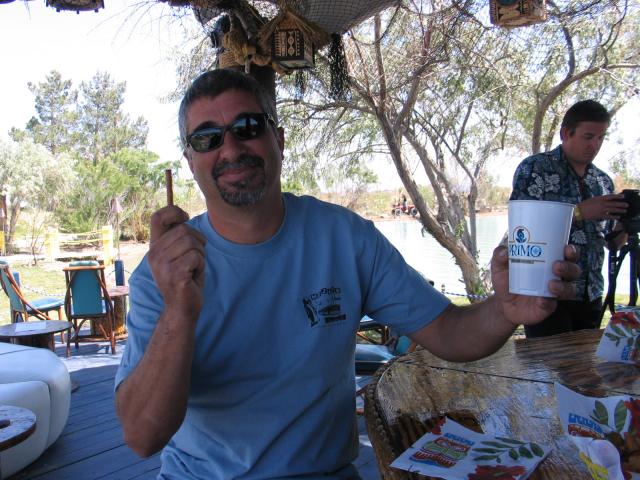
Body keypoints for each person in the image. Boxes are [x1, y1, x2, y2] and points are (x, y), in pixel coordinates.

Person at [115, 68, 579, 479]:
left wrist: (505, 309)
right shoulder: (163, 273)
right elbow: (142, 436)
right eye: (207, 138)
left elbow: (448, 332)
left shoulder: (344, 237)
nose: (231, 148)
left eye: (247, 127)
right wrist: (179, 311)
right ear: (190, 159)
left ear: (279, 139)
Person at [510, 99, 628, 338]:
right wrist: (579, 212)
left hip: (591, 294)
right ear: (566, 133)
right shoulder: (535, 168)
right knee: (550, 361)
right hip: (547, 293)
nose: (595, 145)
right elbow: (522, 229)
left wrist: (626, 224)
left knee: (587, 361)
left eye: (601, 138)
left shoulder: (603, 181)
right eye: (588, 137)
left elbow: (611, 243)